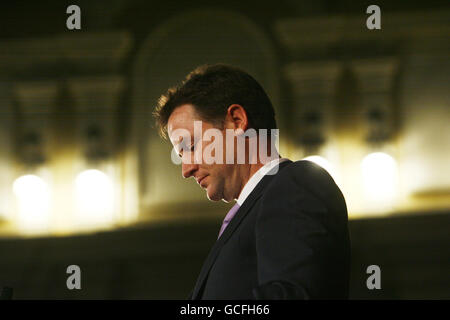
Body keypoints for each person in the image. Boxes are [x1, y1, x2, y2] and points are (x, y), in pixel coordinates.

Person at [153, 64, 351, 299]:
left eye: (190, 146)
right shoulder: (251, 212)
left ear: (236, 121)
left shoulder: (297, 183)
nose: (186, 170)